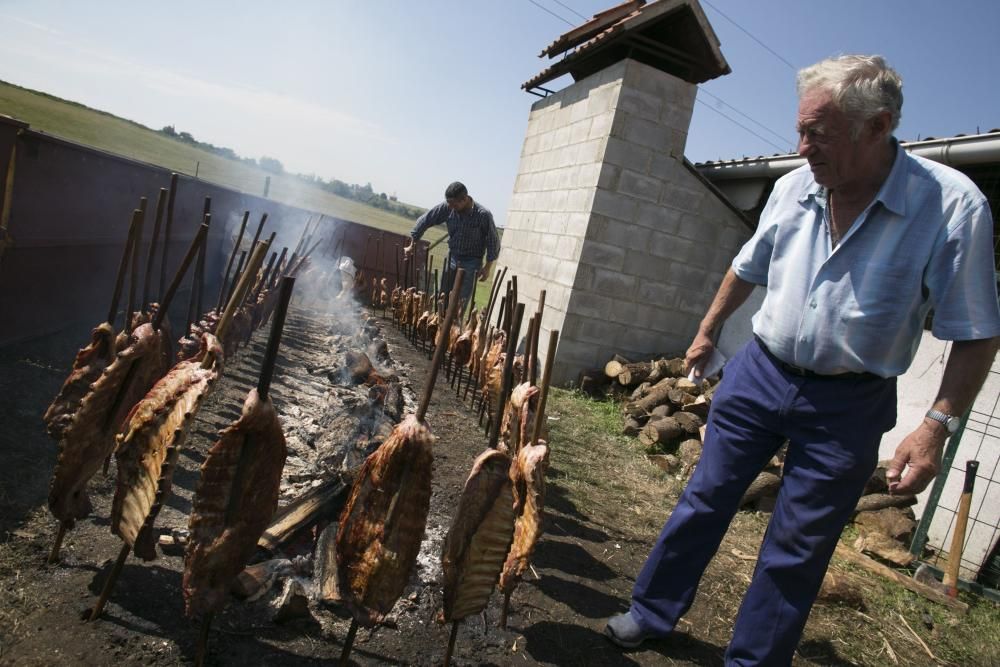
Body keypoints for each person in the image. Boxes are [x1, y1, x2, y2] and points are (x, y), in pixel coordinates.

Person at [604, 54, 1000, 664]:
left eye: (819, 133)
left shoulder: (950, 208)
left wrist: (936, 424)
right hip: (760, 373)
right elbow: (747, 265)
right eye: (801, 129)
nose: (802, 146)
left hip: (850, 400)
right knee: (704, 498)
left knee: (798, 546)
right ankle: (651, 611)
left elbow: (976, 330)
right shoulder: (794, 186)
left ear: (878, 126)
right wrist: (708, 332)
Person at [405, 181, 500, 305]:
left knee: (460, 302)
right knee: (441, 297)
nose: (450, 207)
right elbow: (426, 219)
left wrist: (487, 268)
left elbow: (493, 241)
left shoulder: (483, 215)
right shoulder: (448, 207)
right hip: (452, 257)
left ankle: (454, 323)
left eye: (454, 204)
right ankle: (438, 322)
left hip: (472, 262)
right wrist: (413, 244)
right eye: (449, 203)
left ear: (464, 199)